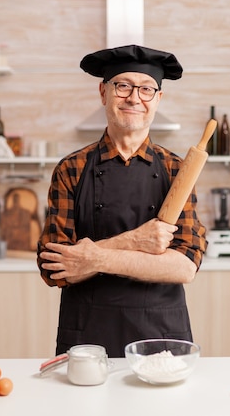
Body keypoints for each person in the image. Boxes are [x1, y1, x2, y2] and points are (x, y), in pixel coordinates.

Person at [37, 44, 207, 358]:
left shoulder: (177, 170)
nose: (134, 98)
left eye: (146, 89)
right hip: (88, 332)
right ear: (103, 92)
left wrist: (93, 258)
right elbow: (55, 269)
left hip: (162, 333)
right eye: (123, 86)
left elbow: (184, 267)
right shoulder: (71, 169)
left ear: (158, 98)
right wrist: (134, 240)